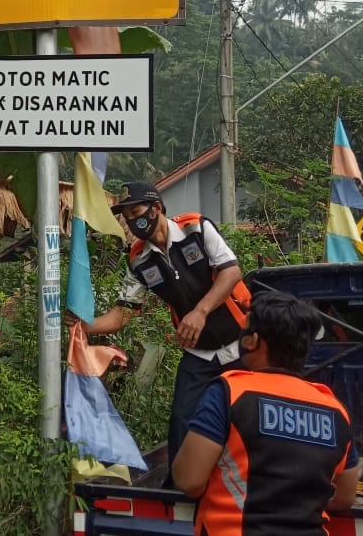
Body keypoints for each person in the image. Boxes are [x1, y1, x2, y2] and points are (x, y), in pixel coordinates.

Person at [64, 181, 251, 468]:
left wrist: (200, 311)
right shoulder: (139, 261)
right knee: (182, 420)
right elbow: (121, 315)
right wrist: (84, 326)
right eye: (125, 217)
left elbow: (232, 271)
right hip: (199, 353)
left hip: (242, 343)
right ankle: (179, 490)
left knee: (250, 416)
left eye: (135, 211)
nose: (131, 221)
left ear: (157, 208)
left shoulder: (196, 229)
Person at [172, 291, 359, 535]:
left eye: (245, 328)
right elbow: (345, 497)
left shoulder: (230, 391)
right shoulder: (334, 409)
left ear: (253, 341)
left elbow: (189, 480)